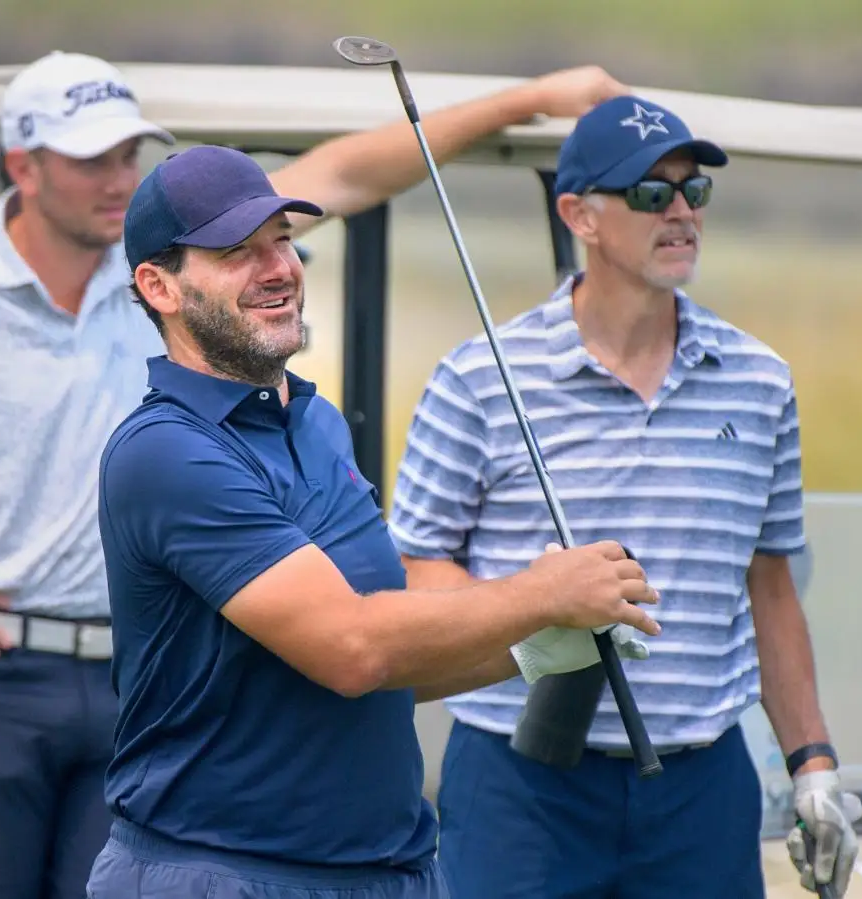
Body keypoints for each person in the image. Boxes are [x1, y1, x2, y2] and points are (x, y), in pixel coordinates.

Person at [0, 48, 633, 899]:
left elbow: (352, 171)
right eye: (91, 158)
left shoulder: (300, 410)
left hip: (147, 669)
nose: (117, 176)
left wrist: (524, 99)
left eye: (130, 152)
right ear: (24, 165)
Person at [88, 143, 661, 899]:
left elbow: (387, 664)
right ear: (158, 286)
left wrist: (535, 651)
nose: (277, 269)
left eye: (283, 241)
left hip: (384, 873)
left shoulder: (316, 422)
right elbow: (351, 647)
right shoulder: (166, 452)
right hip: (222, 872)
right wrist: (539, 595)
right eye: (236, 252)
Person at [386, 94, 862, 899]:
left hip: (702, 786)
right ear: (580, 215)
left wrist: (812, 763)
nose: (680, 212)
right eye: (651, 193)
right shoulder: (478, 377)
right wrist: (538, 609)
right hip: (520, 782)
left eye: (694, 190)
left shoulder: (759, 381)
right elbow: (414, 574)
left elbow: (771, 588)